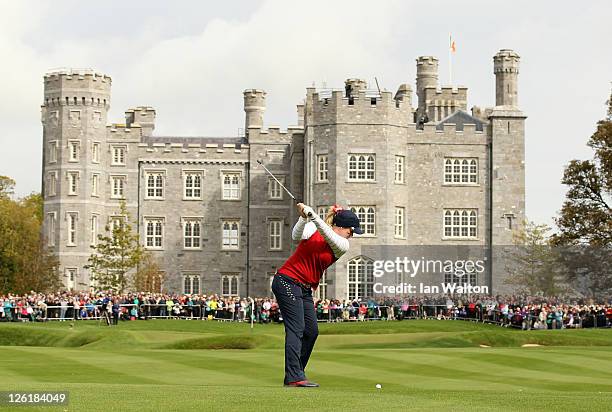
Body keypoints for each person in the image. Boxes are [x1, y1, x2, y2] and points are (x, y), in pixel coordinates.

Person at [272, 203, 362, 388]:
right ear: (342, 227)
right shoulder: (315, 227)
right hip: (286, 281)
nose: (351, 236)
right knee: (296, 329)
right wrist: (303, 218)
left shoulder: (342, 245)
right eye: (351, 231)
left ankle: (295, 374)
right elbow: (296, 235)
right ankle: (295, 376)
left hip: (304, 289)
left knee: (311, 332)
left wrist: (312, 215)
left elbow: (328, 234)